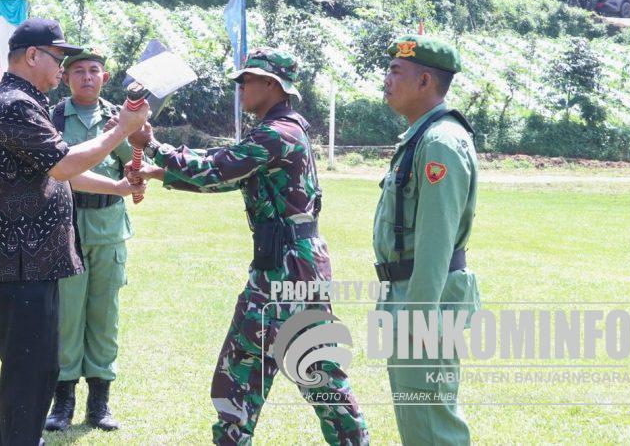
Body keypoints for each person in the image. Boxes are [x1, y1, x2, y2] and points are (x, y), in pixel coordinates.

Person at [127, 48, 369, 445]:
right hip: (292, 265)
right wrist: (158, 172)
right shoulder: (286, 129)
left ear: (271, 85)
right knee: (305, 368)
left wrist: (154, 145)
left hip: (285, 270)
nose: (239, 88)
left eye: (246, 80)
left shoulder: (276, 134)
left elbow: (215, 168)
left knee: (250, 369)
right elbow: (228, 176)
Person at [0, 18, 149, 445]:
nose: (63, 68)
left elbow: (61, 174)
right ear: (32, 56)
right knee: (28, 371)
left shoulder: (22, 102)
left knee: (37, 369)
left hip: (29, 260)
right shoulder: (15, 104)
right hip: (19, 262)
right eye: (59, 58)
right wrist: (120, 131)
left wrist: (118, 186)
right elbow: (63, 165)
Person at [372, 34, 480, 446]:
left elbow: (436, 243)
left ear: (425, 83)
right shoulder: (422, 137)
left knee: (433, 427)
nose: (386, 79)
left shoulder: (440, 142)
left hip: (424, 299)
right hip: (408, 293)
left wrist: (417, 318)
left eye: (396, 71)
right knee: (419, 423)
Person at [43, 51, 136, 433]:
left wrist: (132, 140)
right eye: (78, 71)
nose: (86, 77)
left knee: (104, 316)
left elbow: (135, 163)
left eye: (93, 71)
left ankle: (99, 404)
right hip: (64, 224)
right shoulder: (52, 117)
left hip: (109, 225)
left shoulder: (120, 117)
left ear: (105, 76)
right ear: (65, 78)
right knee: (66, 316)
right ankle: (62, 403)